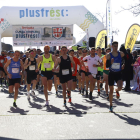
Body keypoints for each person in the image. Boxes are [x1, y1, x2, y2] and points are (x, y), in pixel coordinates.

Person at [106, 41, 124, 112]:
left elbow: (125, 60)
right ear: (112, 47)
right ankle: (111, 105)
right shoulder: (108, 55)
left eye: (117, 46)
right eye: (115, 46)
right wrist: (110, 63)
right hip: (112, 73)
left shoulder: (121, 54)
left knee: (120, 87)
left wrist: (123, 64)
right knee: (111, 90)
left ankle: (117, 91)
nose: (116, 47)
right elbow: (107, 65)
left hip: (118, 73)